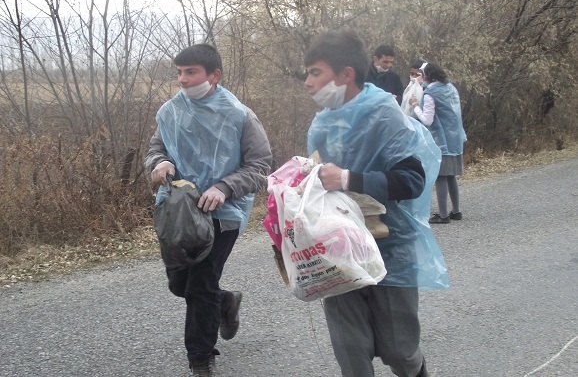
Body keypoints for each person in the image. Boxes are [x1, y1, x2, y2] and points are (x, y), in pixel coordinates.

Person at [304, 30, 449, 377]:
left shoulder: (383, 113)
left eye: (315, 72)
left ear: (346, 74)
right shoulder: (322, 123)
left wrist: (348, 179)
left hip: (389, 246)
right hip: (338, 248)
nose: (308, 82)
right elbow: (316, 180)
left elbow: (412, 180)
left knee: (400, 352)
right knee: (351, 354)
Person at [144, 44, 272, 371]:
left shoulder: (239, 114)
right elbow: (156, 149)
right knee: (179, 284)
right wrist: (160, 163)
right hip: (179, 211)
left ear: (213, 76)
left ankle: (200, 359)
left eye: (191, 72)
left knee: (201, 284)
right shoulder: (170, 112)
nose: (182, 80)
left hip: (222, 213)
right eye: (179, 73)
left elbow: (259, 165)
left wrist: (224, 187)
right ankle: (226, 301)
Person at [409, 62, 467, 224]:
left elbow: (427, 120)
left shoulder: (430, 94)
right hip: (455, 140)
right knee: (451, 177)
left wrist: (414, 106)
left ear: (426, 76)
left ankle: (443, 215)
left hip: (441, 141)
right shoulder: (451, 88)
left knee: (441, 177)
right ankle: (456, 211)